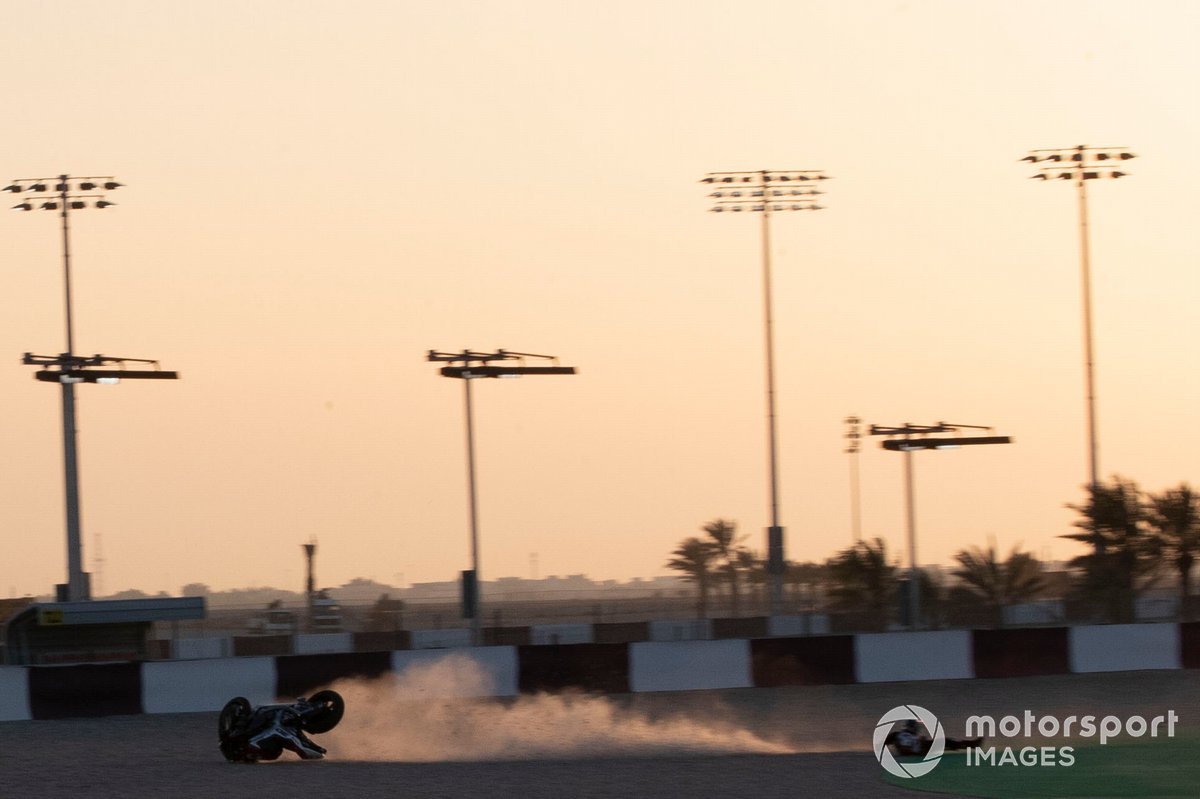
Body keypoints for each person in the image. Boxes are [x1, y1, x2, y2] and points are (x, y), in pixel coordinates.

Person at [885, 719, 984, 757]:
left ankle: (970, 744)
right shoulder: (901, 735)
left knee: (945, 742)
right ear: (913, 727)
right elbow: (904, 749)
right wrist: (921, 745)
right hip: (920, 749)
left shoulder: (899, 735)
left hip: (921, 747)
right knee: (945, 742)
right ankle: (971, 744)